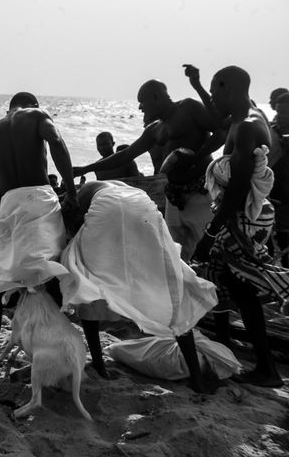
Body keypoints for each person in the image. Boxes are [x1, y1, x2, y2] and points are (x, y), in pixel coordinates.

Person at [60, 180, 220, 392]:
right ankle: (197, 378)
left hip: (108, 207)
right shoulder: (111, 186)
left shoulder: (81, 195)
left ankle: (99, 364)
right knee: (166, 281)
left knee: (88, 279)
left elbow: (68, 225)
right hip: (143, 206)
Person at [194, 65, 287, 388]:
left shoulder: (247, 127)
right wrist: (194, 85)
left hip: (243, 217)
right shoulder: (241, 120)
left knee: (245, 289)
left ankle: (268, 369)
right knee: (237, 288)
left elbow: (237, 189)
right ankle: (263, 366)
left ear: (227, 88)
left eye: (214, 91)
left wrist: (210, 233)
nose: (212, 98)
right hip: (241, 215)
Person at [0, 91, 77, 380]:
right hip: (39, 199)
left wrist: (6, 217)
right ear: (33, 104)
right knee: (58, 270)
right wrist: (70, 190)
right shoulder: (36, 115)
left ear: (7, 109)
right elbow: (57, 142)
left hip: (9, 203)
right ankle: (60, 351)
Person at [74, 77, 223, 261]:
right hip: (174, 198)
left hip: (201, 193)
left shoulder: (188, 108)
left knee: (209, 250)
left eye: (142, 102)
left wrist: (196, 156)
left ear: (156, 96)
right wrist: (85, 168)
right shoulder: (155, 129)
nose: (140, 108)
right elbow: (126, 154)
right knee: (176, 256)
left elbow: (222, 130)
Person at [268, 92, 289, 266]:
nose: (280, 116)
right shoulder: (270, 133)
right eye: (279, 111)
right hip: (274, 197)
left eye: (285, 112)